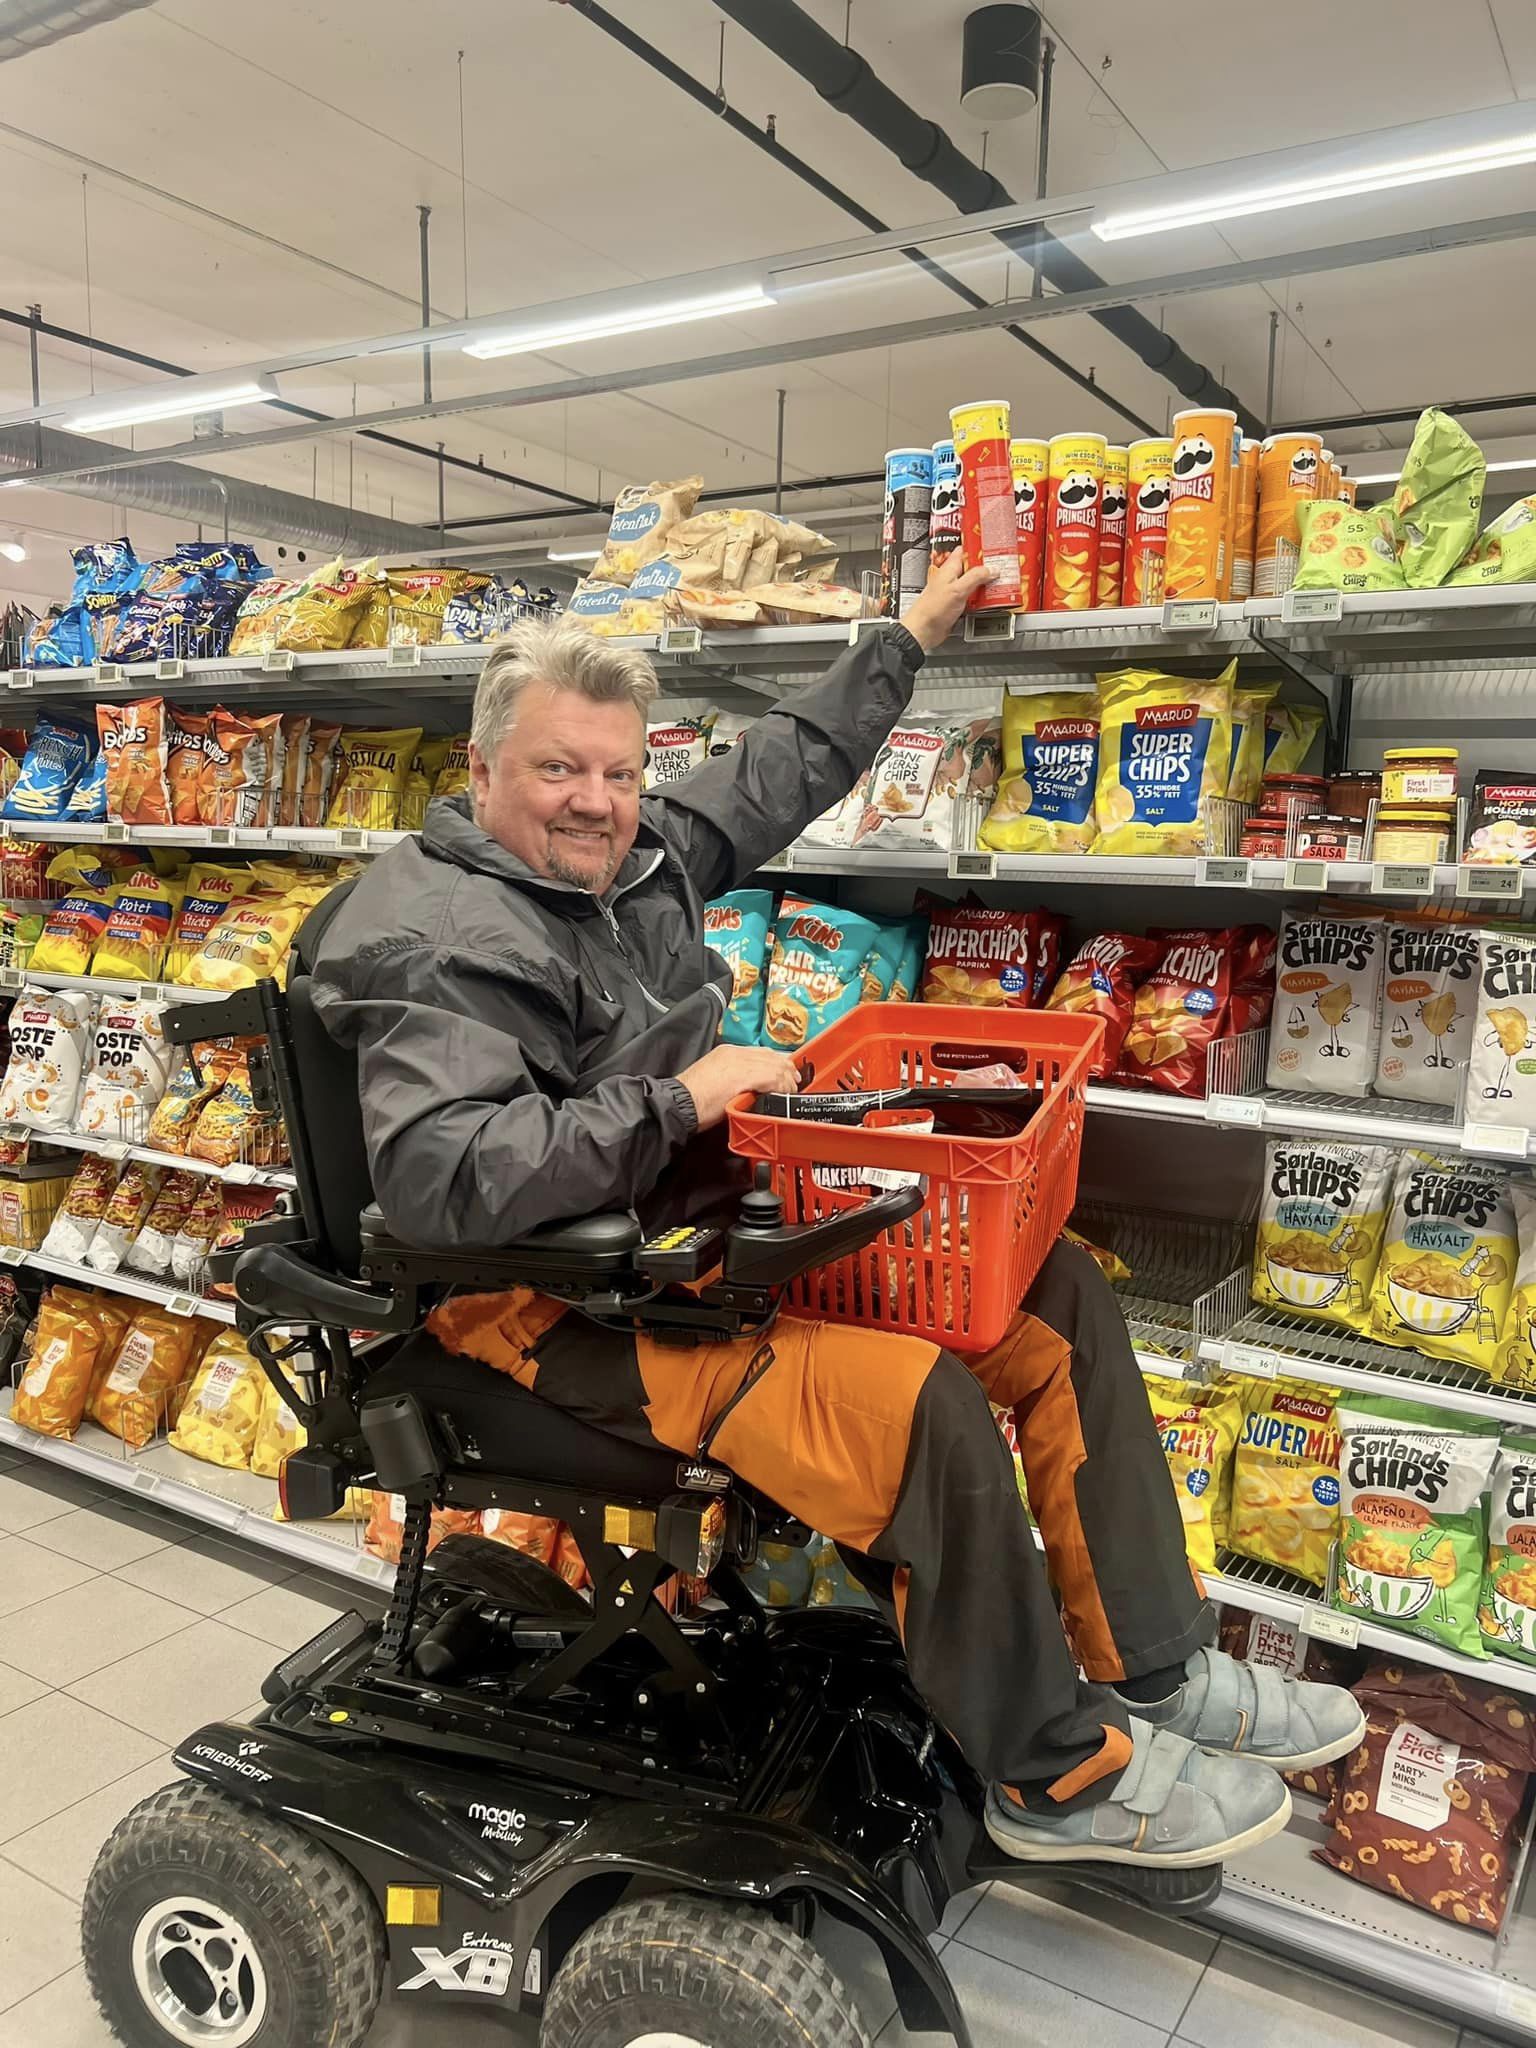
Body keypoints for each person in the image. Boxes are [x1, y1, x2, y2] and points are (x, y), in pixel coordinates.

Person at [306, 551, 1364, 1871]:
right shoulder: (440, 934)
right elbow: (442, 1178)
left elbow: (773, 771)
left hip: (694, 1242)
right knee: (913, 1400)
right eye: (558, 770)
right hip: (551, 1302)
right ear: (481, 772)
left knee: (1057, 1298)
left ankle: (1152, 1666)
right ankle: (1052, 1776)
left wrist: (906, 637)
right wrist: (683, 1103)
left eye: (621, 773)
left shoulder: (629, 863)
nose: (599, 802)